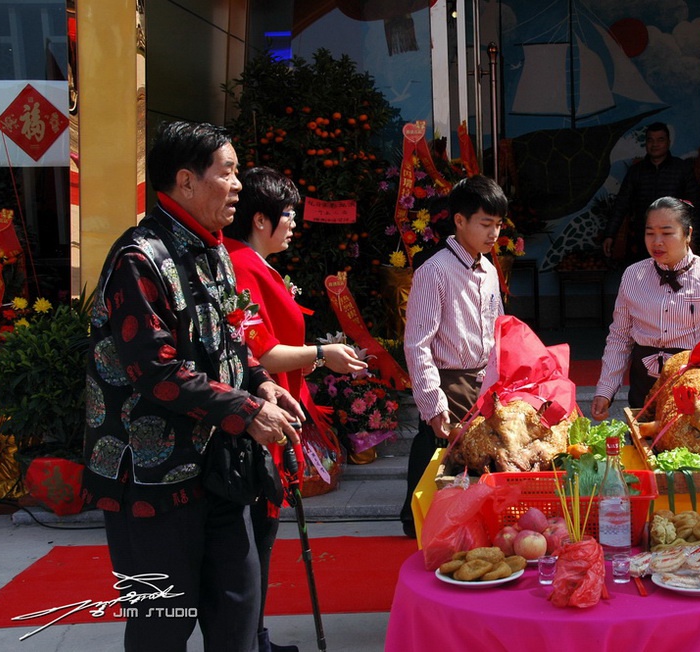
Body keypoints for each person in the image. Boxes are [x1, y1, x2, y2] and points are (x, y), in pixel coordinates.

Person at [83, 121, 305, 652]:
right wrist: (246, 410)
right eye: (227, 172)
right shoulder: (138, 259)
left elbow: (232, 338)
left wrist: (260, 383)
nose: (238, 185)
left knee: (237, 616)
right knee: (162, 628)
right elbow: (155, 371)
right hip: (152, 482)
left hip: (221, 470)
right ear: (185, 181)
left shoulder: (216, 250)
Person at [222, 166, 366, 652]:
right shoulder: (241, 265)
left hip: (276, 412)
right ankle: (252, 639)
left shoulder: (253, 263)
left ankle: (256, 635)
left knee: (262, 537)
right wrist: (322, 355)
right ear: (260, 220)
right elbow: (261, 353)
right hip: (259, 419)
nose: (294, 223)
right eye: (288, 214)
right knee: (255, 539)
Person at [400, 175, 508, 538]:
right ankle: (415, 522)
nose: (494, 233)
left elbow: (498, 329)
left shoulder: (489, 270)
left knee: (472, 463)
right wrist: (433, 402)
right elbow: (417, 343)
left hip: (483, 381)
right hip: (447, 381)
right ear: (459, 221)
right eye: (486, 223)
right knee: (436, 454)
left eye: (498, 225)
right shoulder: (434, 271)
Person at [590, 196, 700, 420]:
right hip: (643, 386)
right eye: (650, 233)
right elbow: (619, 338)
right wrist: (605, 390)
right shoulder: (633, 275)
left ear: (688, 234)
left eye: (667, 233)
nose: (657, 242)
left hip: (695, 386)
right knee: (643, 438)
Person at [602, 122, 700, 262]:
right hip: (643, 239)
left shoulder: (682, 169)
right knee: (645, 273)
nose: (655, 144)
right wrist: (610, 235)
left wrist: (694, 239)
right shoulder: (636, 171)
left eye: (660, 140)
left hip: (674, 237)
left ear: (668, 142)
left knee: (674, 273)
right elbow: (621, 204)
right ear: (646, 143)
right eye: (650, 140)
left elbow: (694, 207)